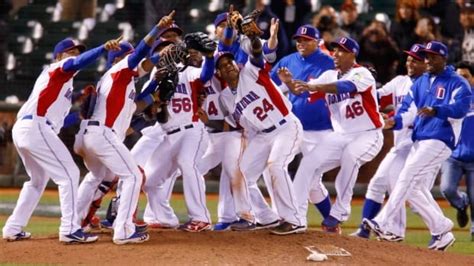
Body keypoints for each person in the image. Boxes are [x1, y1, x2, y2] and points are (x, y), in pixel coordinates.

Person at [2, 36, 120, 243]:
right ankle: (69, 229)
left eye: (77, 51)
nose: (74, 55)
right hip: (35, 127)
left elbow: (59, 121)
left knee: (37, 181)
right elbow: (77, 62)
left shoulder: (62, 84)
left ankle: (12, 227)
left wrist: (79, 108)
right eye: (70, 51)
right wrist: (102, 48)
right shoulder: (58, 67)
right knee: (69, 174)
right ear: (58, 55)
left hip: (30, 128)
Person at [74, 11, 176, 244]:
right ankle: (124, 230)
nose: (136, 61)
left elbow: (136, 106)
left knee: (97, 176)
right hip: (102, 134)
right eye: (130, 56)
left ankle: (75, 222)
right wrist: (158, 31)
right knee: (132, 176)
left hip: (92, 135)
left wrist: (155, 94)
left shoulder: (123, 83)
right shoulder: (119, 70)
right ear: (119, 59)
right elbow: (142, 55)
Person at [364, 41, 471, 252]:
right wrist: (395, 121)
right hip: (421, 139)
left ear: (443, 58)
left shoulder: (458, 82)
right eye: (427, 56)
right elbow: (408, 109)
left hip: (442, 138)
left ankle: (383, 221)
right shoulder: (420, 83)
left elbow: (461, 108)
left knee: (407, 174)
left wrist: (437, 109)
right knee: (413, 188)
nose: (429, 60)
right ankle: (441, 229)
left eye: (433, 56)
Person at [284, 37, 384, 233]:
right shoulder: (329, 75)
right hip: (341, 135)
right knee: (308, 164)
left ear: (352, 54)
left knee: (351, 157)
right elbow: (302, 91)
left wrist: (314, 86)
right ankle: (294, 217)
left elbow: (345, 87)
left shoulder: (362, 73)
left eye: (342, 51)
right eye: (335, 50)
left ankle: (339, 212)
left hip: (368, 134)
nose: (336, 54)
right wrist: (289, 83)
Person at [215, 36, 305, 235]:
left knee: (276, 165)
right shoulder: (226, 99)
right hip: (263, 136)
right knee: (241, 173)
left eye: (230, 62)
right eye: (223, 66)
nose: (228, 66)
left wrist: (254, 37)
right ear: (219, 73)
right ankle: (260, 217)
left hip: (285, 126)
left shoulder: (250, 71)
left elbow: (257, 52)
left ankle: (294, 219)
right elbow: (243, 124)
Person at [351, 44, 428, 239]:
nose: (410, 62)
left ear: (426, 64)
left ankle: (395, 231)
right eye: (409, 58)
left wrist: (392, 120)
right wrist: (363, 83)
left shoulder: (429, 84)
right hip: (400, 142)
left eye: (416, 60)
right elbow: (378, 96)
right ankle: (364, 230)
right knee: (377, 184)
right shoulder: (400, 81)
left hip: (417, 143)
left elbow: (413, 113)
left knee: (400, 187)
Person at [270, 25, 335, 220]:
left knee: (312, 182)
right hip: (292, 127)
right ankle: (283, 215)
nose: (301, 43)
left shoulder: (329, 62)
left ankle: (331, 220)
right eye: (299, 39)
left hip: (321, 129)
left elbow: (304, 89)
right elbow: (270, 86)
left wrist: (289, 84)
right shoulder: (287, 60)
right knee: (275, 166)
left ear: (316, 41)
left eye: (306, 39)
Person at [440, 61, 474, 241]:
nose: (462, 80)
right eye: (459, 76)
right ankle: (461, 204)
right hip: (452, 155)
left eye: (466, 76)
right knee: (447, 189)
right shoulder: (449, 96)